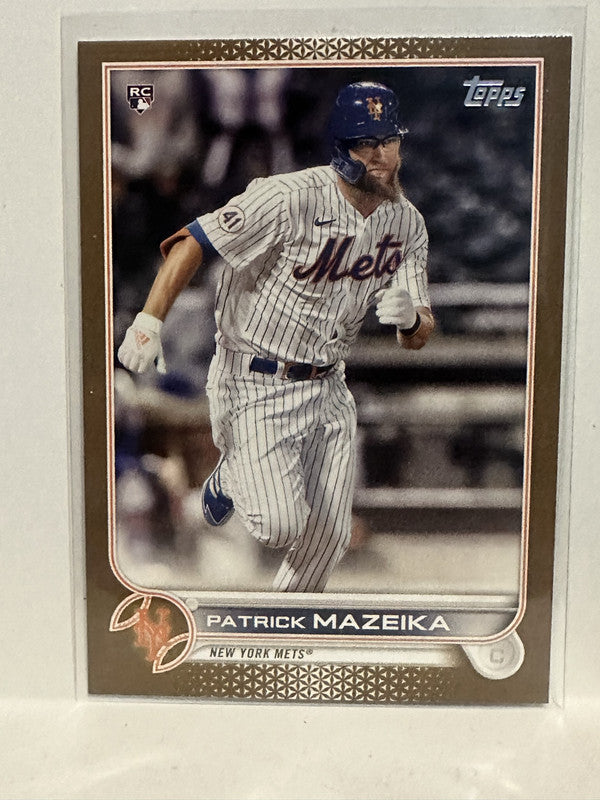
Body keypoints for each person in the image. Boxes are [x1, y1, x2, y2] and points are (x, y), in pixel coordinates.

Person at [117, 81, 435, 593]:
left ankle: (291, 618)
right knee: (278, 526)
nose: (379, 156)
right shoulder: (285, 196)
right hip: (257, 378)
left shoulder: (407, 225)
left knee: (329, 537)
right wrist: (149, 321)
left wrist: (411, 322)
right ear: (339, 146)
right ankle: (230, 476)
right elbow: (192, 241)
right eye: (364, 143)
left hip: (328, 384)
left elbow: (420, 332)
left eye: (387, 141)